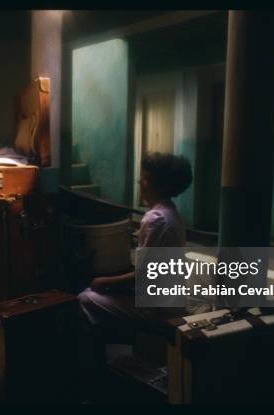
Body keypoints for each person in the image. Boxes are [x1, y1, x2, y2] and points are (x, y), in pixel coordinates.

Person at [77, 152, 204, 397]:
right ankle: (116, 360)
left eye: (145, 179)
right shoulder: (172, 214)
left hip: (157, 309)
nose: (140, 184)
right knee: (100, 296)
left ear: (162, 185)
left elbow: (142, 276)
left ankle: (94, 374)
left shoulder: (155, 219)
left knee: (85, 298)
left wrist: (103, 281)